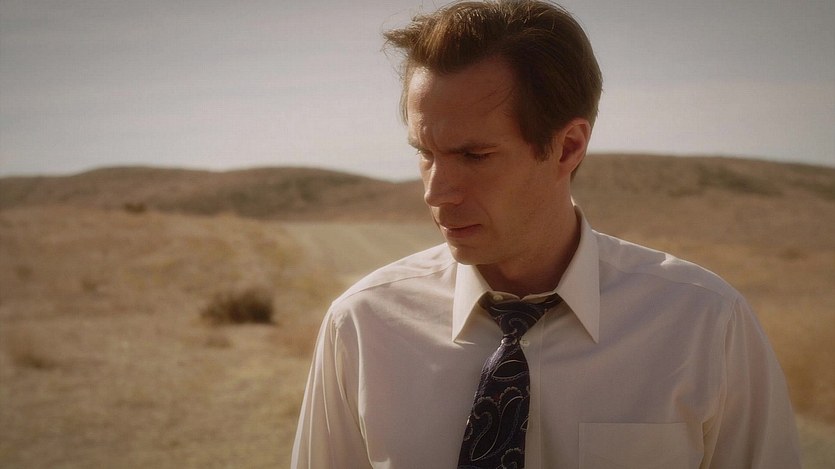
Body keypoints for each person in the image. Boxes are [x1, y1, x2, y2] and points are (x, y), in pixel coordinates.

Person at [291, 1, 801, 467]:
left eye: (474, 155)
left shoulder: (703, 324)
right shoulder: (362, 326)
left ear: (568, 147)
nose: (436, 192)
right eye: (426, 153)